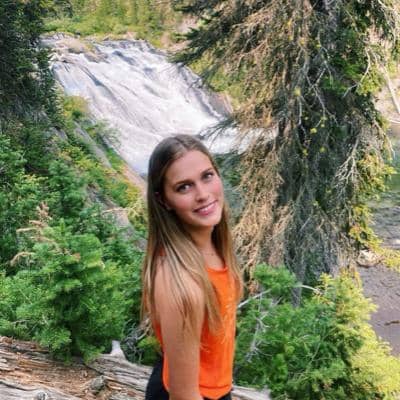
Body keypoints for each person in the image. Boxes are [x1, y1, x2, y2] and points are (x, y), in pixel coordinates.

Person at [141, 134, 243, 400]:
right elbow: (183, 395)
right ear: (164, 200)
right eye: (184, 187)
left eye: (207, 176)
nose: (203, 194)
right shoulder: (181, 283)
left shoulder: (214, 247)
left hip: (211, 387)